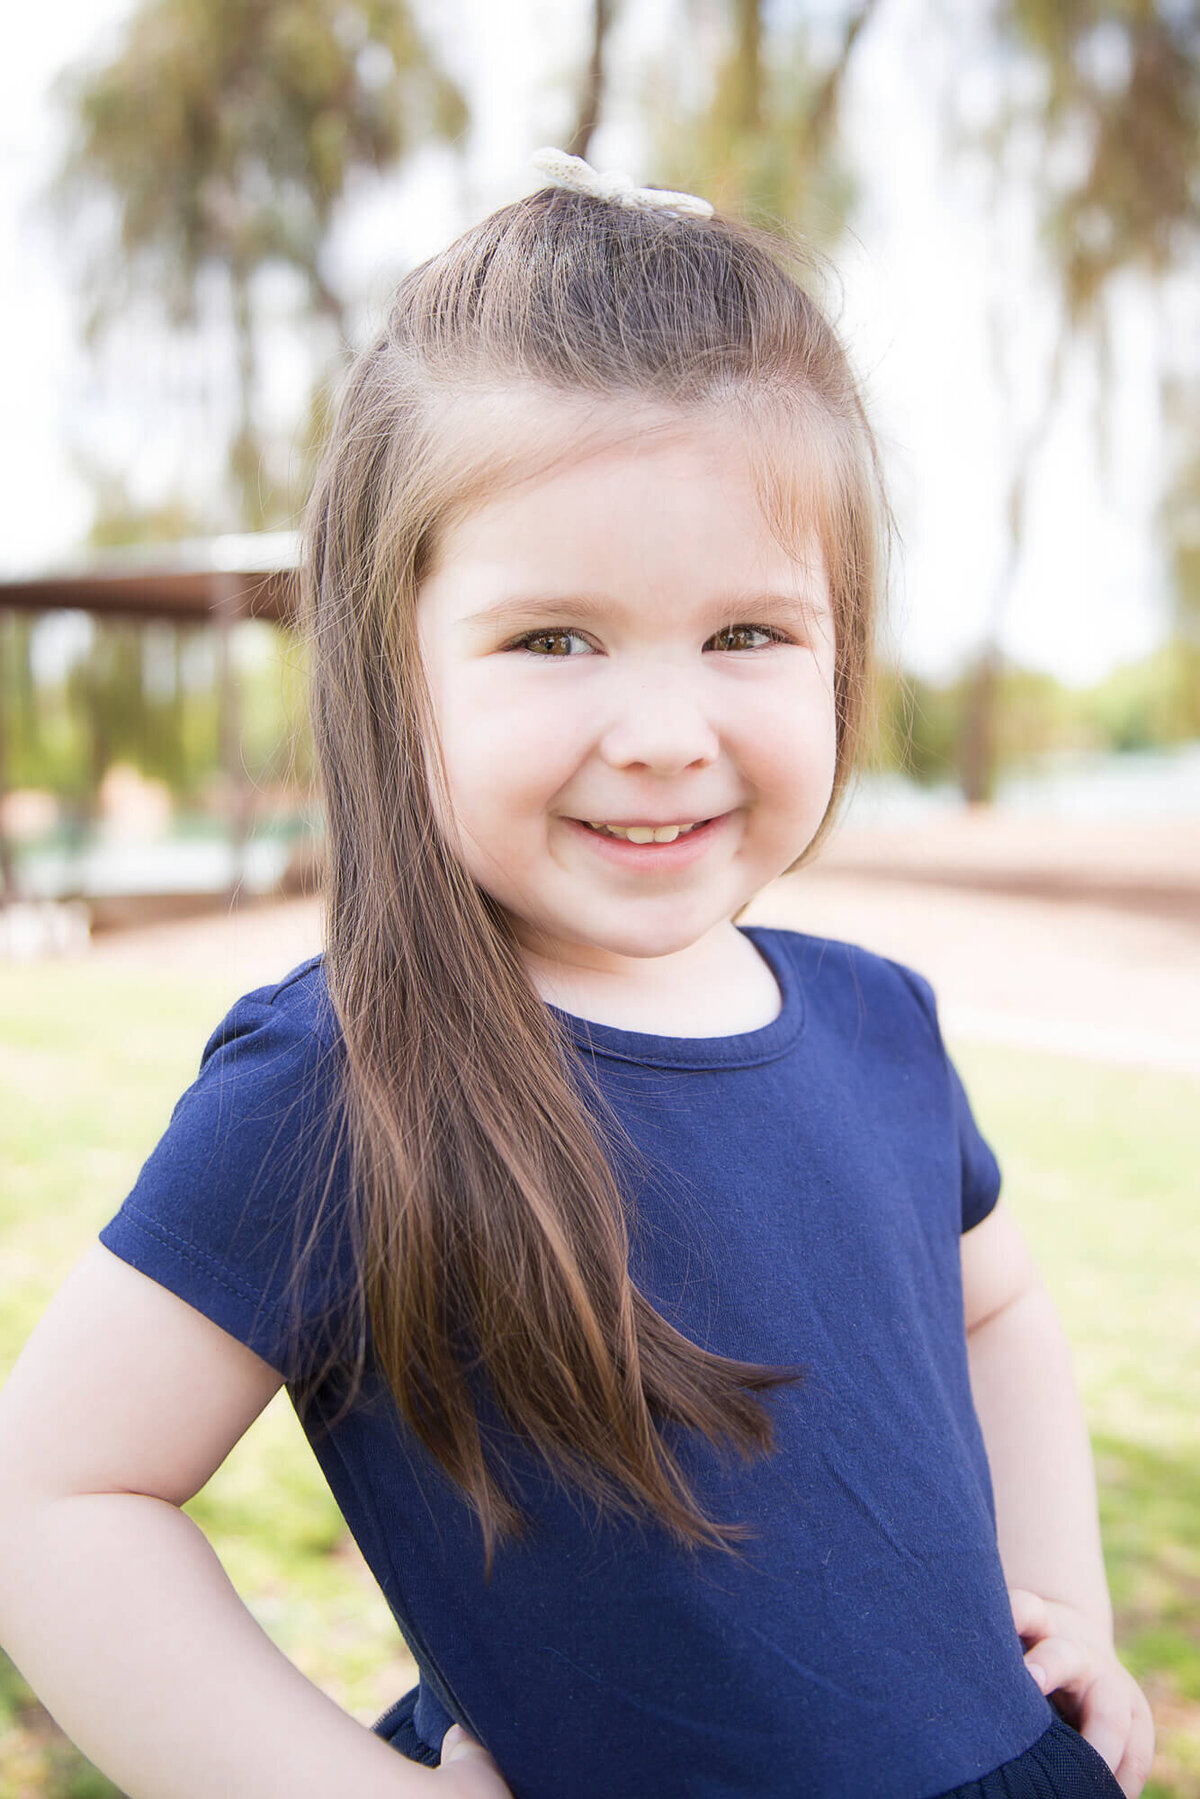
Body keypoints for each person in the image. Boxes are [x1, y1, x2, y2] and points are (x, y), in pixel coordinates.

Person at [0, 149, 1154, 1799]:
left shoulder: (885, 1023)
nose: (664, 733)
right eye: (555, 639)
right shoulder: (349, 1082)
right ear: (398, 669)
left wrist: (1064, 1603)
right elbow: (55, 1496)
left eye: (749, 634)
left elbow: (1003, 1307)